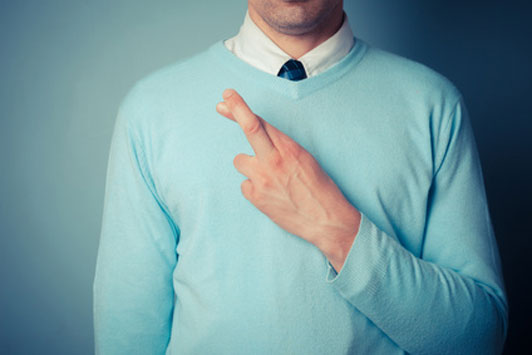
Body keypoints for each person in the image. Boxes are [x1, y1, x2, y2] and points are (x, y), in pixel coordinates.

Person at [93, 0, 508, 354]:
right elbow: (127, 336)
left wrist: (337, 229)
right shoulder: (150, 110)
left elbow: (479, 338)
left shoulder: (433, 104)